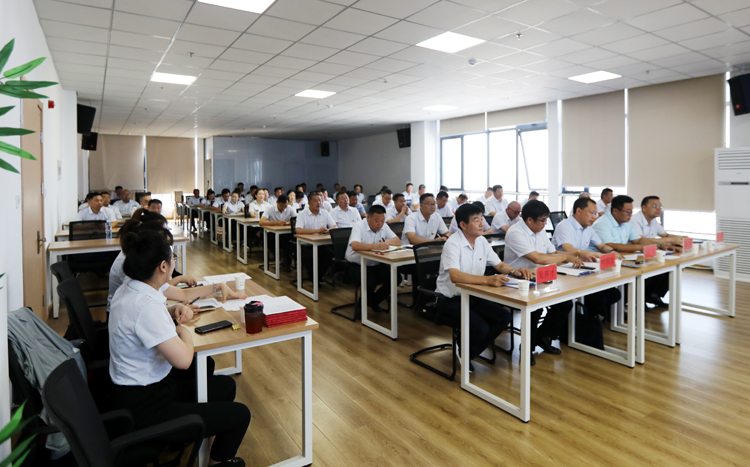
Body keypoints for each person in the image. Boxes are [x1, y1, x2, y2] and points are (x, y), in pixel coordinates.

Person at [108, 228, 250, 467]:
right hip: (146, 407)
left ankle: (207, 450)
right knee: (240, 415)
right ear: (163, 266)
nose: (174, 262)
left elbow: (146, 319)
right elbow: (183, 360)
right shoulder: (145, 305)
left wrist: (173, 310)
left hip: (137, 392)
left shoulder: (132, 287)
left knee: (225, 387)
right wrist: (184, 331)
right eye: (173, 258)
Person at [436, 203, 532, 365]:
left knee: (504, 317)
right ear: (463, 224)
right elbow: (455, 276)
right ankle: (465, 351)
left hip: (474, 295)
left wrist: (515, 271)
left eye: (482, 219)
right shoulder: (452, 244)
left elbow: (499, 265)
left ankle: (467, 353)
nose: (482, 224)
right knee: (481, 327)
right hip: (451, 299)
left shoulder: (481, 241)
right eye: (476, 220)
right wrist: (488, 280)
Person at [107, 212, 247, 313]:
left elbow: (182, 294)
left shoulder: (141, 266)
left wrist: (218, 286)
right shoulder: (136, 267)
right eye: (172, 257)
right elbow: (153, 312)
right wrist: (174, 315)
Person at [504, 200, 583, 365]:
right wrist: (566, 257)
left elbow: (552, 253)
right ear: (529, 220)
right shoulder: (515, 232)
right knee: (535, 308)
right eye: (543, 220)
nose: (545, 224)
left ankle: (543, 336)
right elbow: (537, 258)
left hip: (538, 278)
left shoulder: (539, 231)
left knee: (565, 303)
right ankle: (527, 347)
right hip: (517, 280)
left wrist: (573, 257)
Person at [593, 195, 676, 307]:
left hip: (622, 259)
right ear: (615, 211)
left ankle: (644, 299)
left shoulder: (626, 222)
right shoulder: (603, 223)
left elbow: (638, 240)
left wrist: (658, 245)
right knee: (642, 277)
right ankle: (622, 306)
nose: (630, 215)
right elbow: (610, 246)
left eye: (631, 212)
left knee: (655, 271)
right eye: (628, 212)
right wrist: (640, 247)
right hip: (603, 263)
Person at [552, 197, 622, 319]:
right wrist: (599, 255)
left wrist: (612, 252)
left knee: (614, 294)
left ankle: (589, 317)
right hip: (564, 271)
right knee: (600, 298)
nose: (594, 217)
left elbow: (601, 246)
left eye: (595, 214)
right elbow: (568, 249)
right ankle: (584, 320)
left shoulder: (588, 228)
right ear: (578, 211)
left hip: (581, 269)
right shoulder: (565, 225)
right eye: (591, 213)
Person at [345, 205, 401, 313]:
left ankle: (374, 301)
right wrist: (376, 246)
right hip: (355, 265)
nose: (380, 224)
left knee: (396, 278)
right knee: (370, 280)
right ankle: (361, 307)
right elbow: (355, 245)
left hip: (375, 264)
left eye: (382, 220)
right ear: (368, 218)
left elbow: (398, 241)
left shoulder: (384, 226)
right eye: (377, 221)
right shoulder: (359, 226)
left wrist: (387, 242)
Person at [296, 192, 337, 282]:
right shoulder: (302, 214)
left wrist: (328, 230)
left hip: (320, 244)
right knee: (310, 258)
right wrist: (317, 231)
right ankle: (313, 277)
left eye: (320, 200)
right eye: (315, 201)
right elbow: (298, 230)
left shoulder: (325, 213)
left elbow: (334, 226)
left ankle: (317, 277)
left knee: (330, 255)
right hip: (306, 245)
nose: (318, 203)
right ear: (309, 203)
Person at [260, 194, 297, 270]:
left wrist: (292, 222)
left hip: (285, 233)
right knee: (285, 241)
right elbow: (261, 222)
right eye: (281, 206)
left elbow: (296, 219)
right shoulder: (270, 208)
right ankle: (284, 261)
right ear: (277, 202)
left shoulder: (290, 208)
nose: (283, 208)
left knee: (291, 240)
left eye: (285, 206)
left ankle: (286, 262)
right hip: (272, 233)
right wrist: (277, 223)